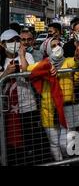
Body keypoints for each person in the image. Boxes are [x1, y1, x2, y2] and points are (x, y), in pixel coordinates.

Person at [27, 36, 79, 162]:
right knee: (54, 143)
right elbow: (29, 68)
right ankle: (61, 163)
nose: (57, 47)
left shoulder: (67, 61)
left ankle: (69, 159)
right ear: (47, 49)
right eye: (53, 46)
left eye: (59, 44)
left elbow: (75, 62)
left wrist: (78, 57)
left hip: (67, 108)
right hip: (49, 111)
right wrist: (46, 66)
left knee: (68, 142)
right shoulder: (42, 63)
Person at [0, 29, 43, 165]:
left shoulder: (27, 56)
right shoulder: (1, 61)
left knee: (31, 140)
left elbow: (27, 72)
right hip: (7, 110)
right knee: (12, 142)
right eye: (11, 41)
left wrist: (22, 55)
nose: (15, 43)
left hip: (28, 106)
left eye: (17, 40)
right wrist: (6, 73)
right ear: (2, 44)